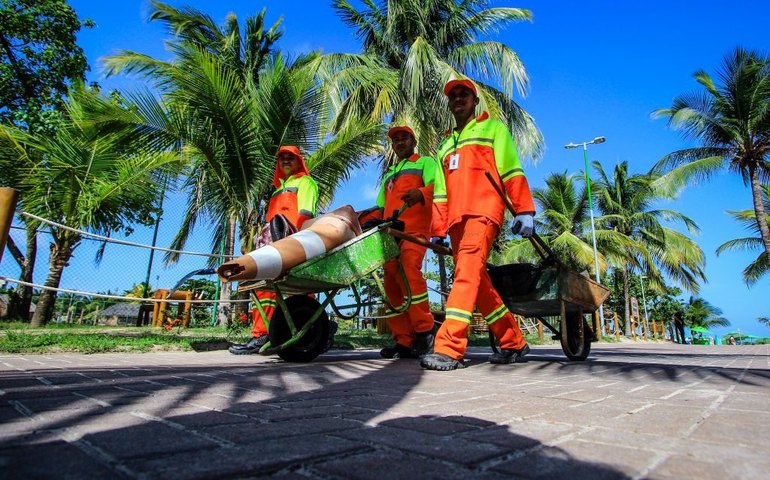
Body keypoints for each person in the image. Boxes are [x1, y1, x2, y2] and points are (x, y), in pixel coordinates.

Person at [420, 79, 536, 371]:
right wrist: (439, 229)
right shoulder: (445, 145)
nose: (458, 98)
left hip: (484, 211)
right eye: (453, 95)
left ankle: (449, 347)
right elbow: (441, 192)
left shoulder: (493, 129)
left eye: (464, 94)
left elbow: (511, 168)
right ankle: (514, 341)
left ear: (475, 101)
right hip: (457, 220)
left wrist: (524, 209)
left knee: (466, 275)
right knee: (477, 281)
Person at [229, 146, 319, 354]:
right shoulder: (278, 190)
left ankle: (311, 328)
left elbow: (305, 214)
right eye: (282, 158)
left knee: (301, 288)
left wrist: (297, 243)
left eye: (291, 158)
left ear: (299, 161)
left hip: (292, 242)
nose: (286, 161)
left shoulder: (305, 183)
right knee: (263, 287)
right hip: (272, 243)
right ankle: (261, 335)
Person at [359, 125, 439, 359]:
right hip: (390, 235)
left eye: (404, 138)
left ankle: (425, 331)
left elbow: (439, 187)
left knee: (409, 272)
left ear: (413, 142)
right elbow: (381, 208)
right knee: (391, 282)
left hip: (414, 231)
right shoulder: (389, 175)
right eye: (396, 140)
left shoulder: (425, 163)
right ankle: (403, 340)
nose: (400, 142)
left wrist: (421, 193)